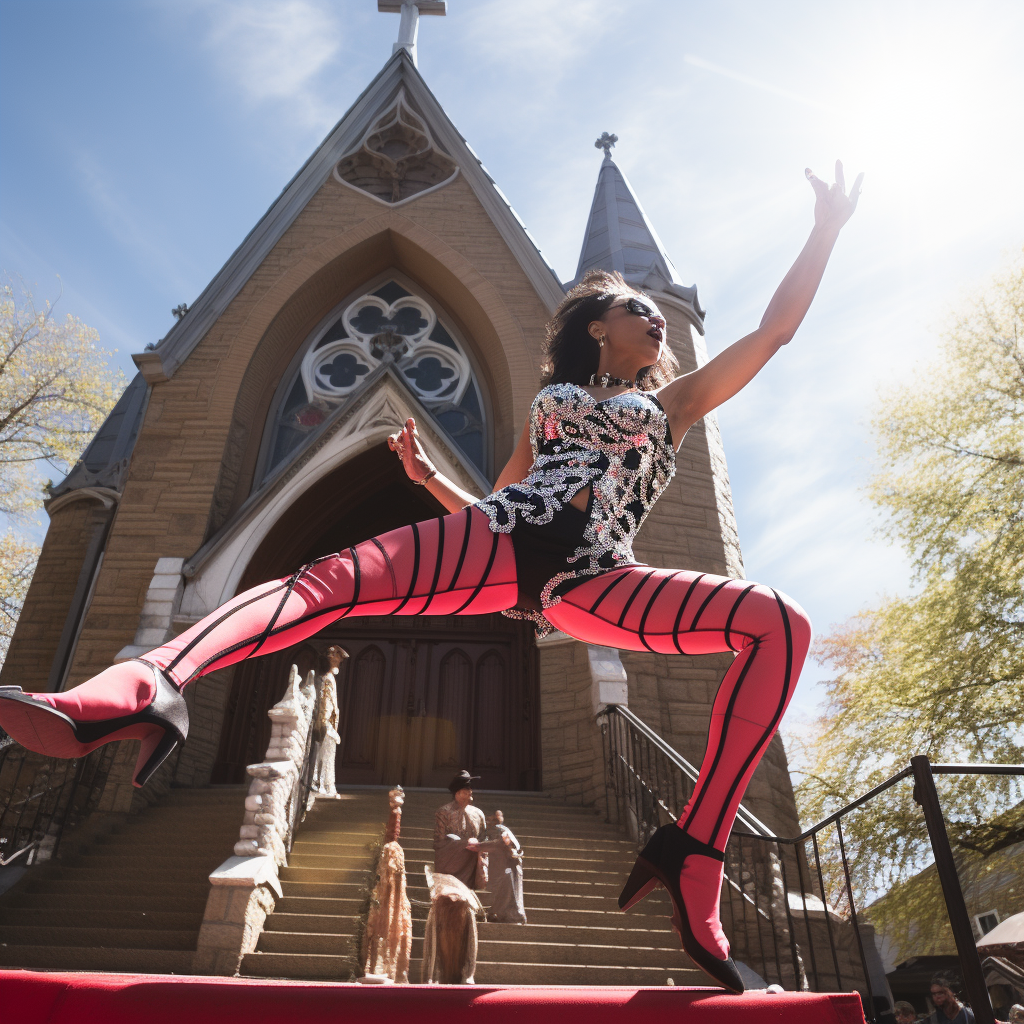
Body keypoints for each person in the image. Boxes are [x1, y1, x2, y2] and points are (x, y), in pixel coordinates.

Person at [0, 162, 862, 993]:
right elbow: (508, 495)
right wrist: (431, 487)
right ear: (598, 326)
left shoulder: (672, 406)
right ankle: (145, 687)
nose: (659, 323)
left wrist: (822, 233)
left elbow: (773, 331)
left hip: (596, 577)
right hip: (508, 538)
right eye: (641, 311)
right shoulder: (549, 401)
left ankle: (696, 847)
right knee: (327, 580)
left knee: (778, 624)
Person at [433, 771, 488, 889]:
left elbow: (484, 838)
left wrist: (479, 846)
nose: (469, 793)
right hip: (451, 865)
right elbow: (439, 842)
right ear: (457, 793)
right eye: (465, 791)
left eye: (470, 790)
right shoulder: (444, 812)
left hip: (471, 865)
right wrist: (463, 844)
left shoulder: (478, 814)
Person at [479, 810, 526, 924]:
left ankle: (503, 914)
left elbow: (498, 844)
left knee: (506, 889)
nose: (489, 821)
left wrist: (477, 846)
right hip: (509, 866)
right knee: (507, 889)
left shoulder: (498, 829)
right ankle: (504, 913)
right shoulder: (502, 830)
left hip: (507, 866)